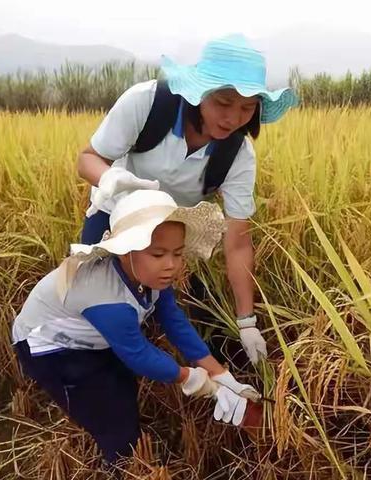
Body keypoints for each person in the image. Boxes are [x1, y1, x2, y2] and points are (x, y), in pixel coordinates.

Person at [77, 33, 298, 365]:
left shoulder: (238, 154)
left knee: (161, 306)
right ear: (198, 93)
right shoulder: (145, 103)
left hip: (171, 230)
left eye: (247, 108)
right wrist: (109, 178)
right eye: (224, 103)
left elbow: (238, 242)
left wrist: (247, 321)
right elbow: (87, 159)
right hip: (114, 217)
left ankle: (167, 365)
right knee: (98, 307)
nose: (233, 118)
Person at [12, 189, 260, 466]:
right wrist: (193, 379)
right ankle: (123, 463)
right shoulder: (107, 298)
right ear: (126, 250)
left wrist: (221, 375)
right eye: (158, 254)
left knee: (120, 386)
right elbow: (138, 354)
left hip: (94, 338)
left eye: (177, 254)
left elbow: (174, 321)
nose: (171, 265)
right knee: (112, 418)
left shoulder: (150, 277)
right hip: (52, 348)